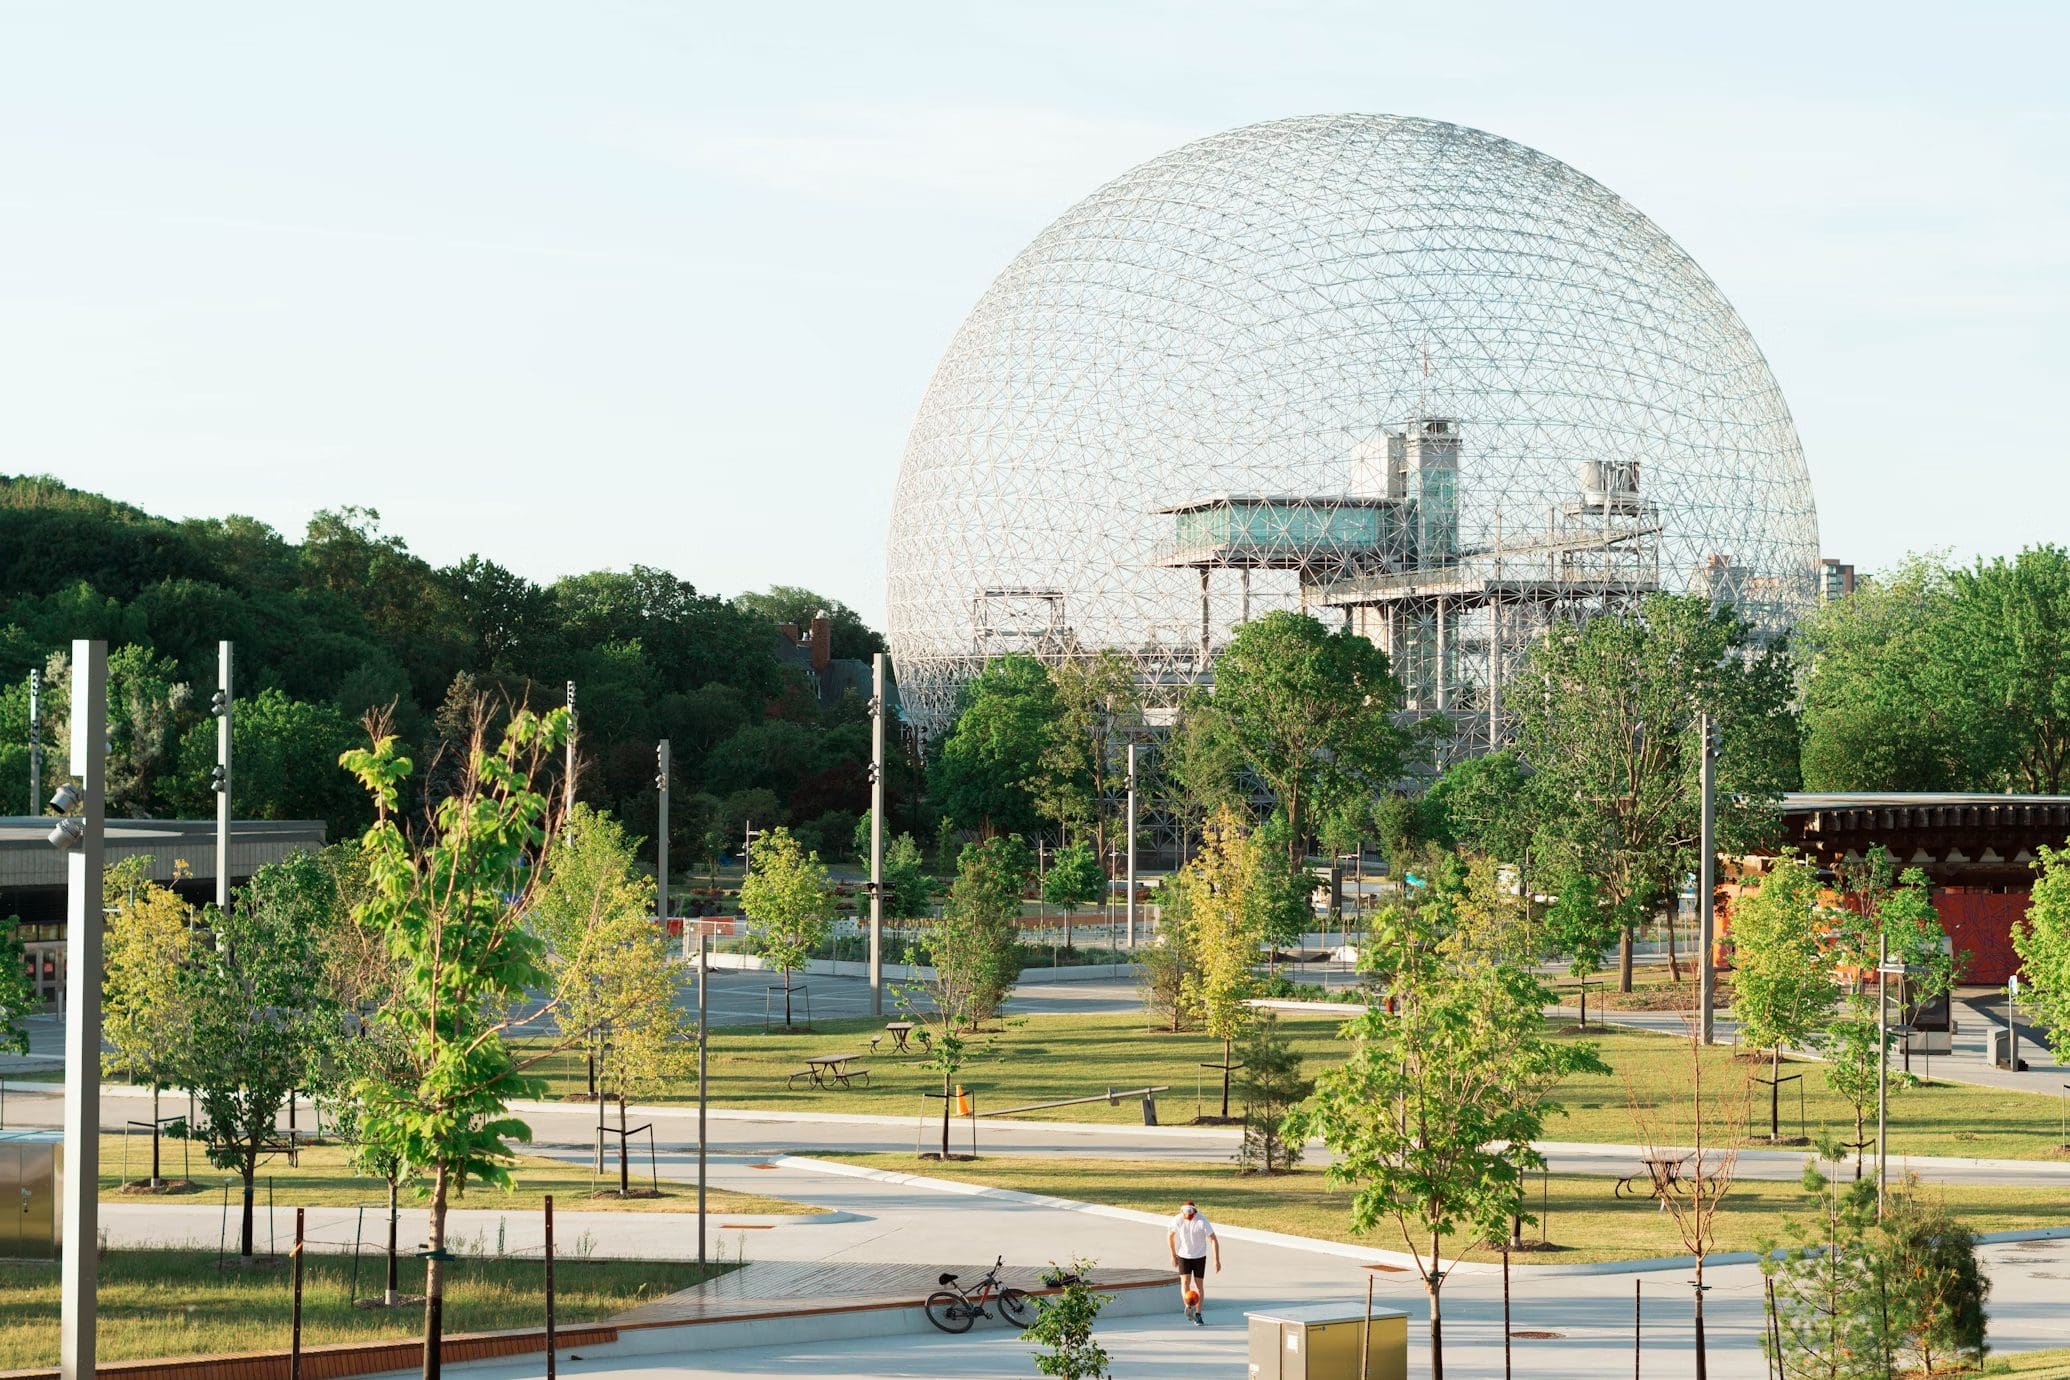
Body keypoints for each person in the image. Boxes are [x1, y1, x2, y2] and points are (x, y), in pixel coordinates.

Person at [1166, 1199, 1220, 1324]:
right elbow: (1170, 1235)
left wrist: (1216, 1260)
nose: (1189, 1217)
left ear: (1195, 1211)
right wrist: (1173, 1255)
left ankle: (1198, 1314)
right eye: (1186, 1214)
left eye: (1191, 1214)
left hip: (1199, 1256)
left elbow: (1213, 1239)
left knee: (1199, 1285)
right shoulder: (1177, 1219)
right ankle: (1188, 1306)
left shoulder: (1202, 1220)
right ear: (1182, 1212)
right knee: (1185, 1282)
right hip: (1183, 1255)